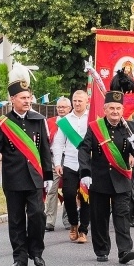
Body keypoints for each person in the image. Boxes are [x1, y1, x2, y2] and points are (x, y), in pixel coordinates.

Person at [0, 67, 53, 266]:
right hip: (13, 179)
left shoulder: (38, 121)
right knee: (15, 220)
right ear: (13, 99)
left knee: (37, 215)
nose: (27, 101)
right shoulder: (4, 124)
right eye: (23, 98)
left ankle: (37, 252)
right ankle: (20, 256)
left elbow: (44, 150)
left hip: (34, 178)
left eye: (29, 97)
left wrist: (48, 175)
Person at [77, 89, 134, 264]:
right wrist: (85, 172)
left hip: (121, 179)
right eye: (111, 108)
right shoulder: (96, 128)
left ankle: (125, 250)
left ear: (122, 109)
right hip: (100, 179)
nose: (115, 112)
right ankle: (102, 249)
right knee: (100, 217)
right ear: (105, 109)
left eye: (118, 108)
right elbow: (83, 149)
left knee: (122, 215)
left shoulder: (130, 128)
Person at [52, 90, 90, 244]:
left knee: (86, 197)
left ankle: (83, 230)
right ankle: (73, 224)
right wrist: (57, 163)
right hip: (70, 163)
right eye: (75, 100)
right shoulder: (65, 121)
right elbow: (58, 143)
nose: (77, 103)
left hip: (87, 164)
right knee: (68, 195)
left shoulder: (92, 119)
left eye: (80, 101)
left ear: (87, 102)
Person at [44, 98, 70, 231]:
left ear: (69, 108)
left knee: (69, 190)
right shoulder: (50, 122)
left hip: (70, 159)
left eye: (64, 107)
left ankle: (68, 219)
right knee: (51, 189)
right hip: (54, 160)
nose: (61, 109)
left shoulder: (73, 121)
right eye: (59, 107)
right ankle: (49, 220)